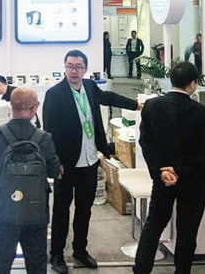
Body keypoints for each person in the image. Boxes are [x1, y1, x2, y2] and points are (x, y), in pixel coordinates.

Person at [43, 50, 139, 273]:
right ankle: (56, 255)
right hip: (66, 165)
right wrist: (55, 162)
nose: (73, 71)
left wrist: (135, 105)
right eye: (69, 66)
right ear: (64, 67)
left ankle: (80, 250)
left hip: (89, 160)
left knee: (85, 210)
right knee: (61, 211)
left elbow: (109, 98)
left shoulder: (90, 87)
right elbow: (49, 131)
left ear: (85, 69)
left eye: (78, 67)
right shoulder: (54, 94)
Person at [134, 61, 205, 274]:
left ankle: (141, 269)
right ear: (193, 84)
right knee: (187, 232)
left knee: (153, 226)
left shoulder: (152, 106)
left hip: (163, 180)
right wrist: (178, 170)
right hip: (193, 181)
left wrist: (162, 170)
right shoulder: (203, 113)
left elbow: (145, 142)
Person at [0, 88, 61, 274]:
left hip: (3, 212)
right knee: (37, 267)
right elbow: (54, 171)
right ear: (33, 109)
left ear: (11, 107)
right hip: (35, 213)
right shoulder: (44, 138)